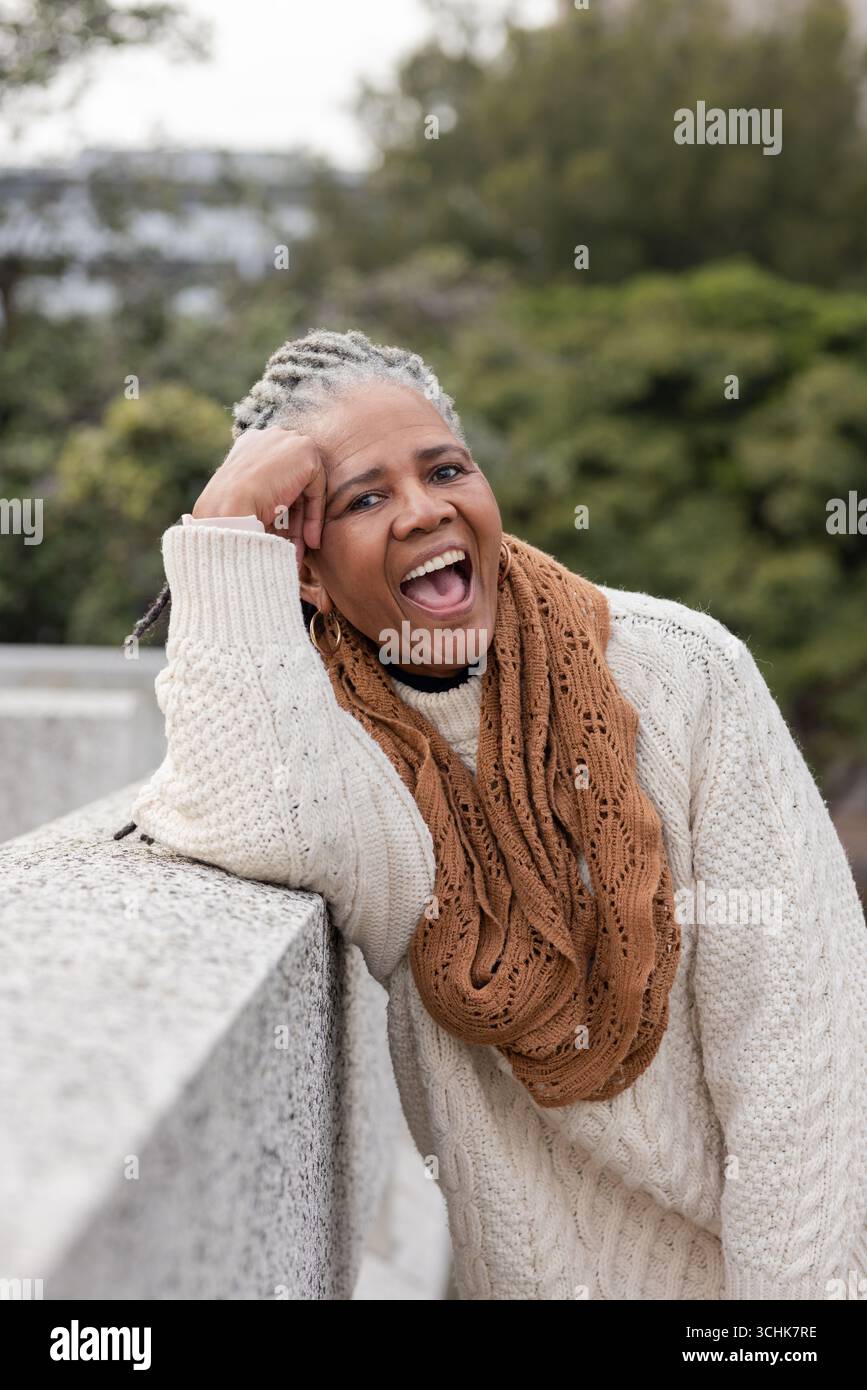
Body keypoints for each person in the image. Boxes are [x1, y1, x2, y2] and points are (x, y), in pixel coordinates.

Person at [121, 328, 866, 1300]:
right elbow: (250, 811)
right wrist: (224, 529)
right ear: (302, 568)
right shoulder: (344, 747)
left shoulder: (685, 673)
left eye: (445, 469)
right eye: (366, 496)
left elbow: (804, 1057)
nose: (426, 509)